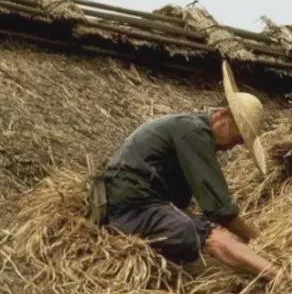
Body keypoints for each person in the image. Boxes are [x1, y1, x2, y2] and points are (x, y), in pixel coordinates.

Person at [101, 60, 276, 281]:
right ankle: (279, 275)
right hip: (133, 208)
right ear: (222, 115)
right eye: (238, 136)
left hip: (132, 205)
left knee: (199, 228)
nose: (235, 145)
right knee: (210, 233)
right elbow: (220, 210)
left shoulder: (190, 128)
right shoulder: (194, 132)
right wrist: (260, 240)